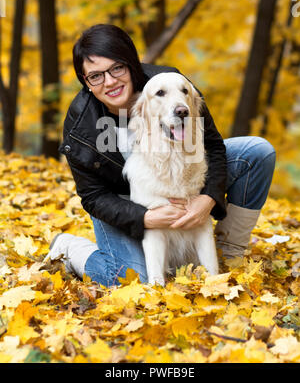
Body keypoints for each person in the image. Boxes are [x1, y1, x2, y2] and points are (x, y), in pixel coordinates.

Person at [46, 23, 276, 286]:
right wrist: (143, 217)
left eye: (116, 68)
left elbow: (213, 146)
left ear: (130, 64)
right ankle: (71, 248)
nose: (109, 81)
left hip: (185, 175)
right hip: (122, 202)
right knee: (130, 280)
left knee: (256, 153)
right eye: (96, 76)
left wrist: (209, 197)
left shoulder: (173, 85)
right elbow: (93, 196)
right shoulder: (80, 126)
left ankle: (228, 251)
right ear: (86, 83)